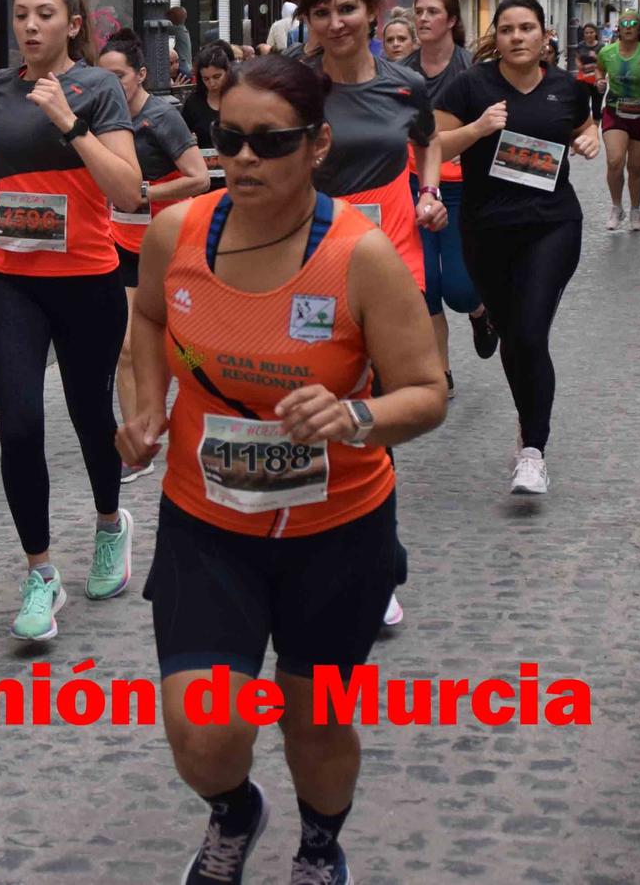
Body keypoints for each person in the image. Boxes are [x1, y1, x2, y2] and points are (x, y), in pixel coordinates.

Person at [118, 53, 445, 885]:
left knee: (316, 726)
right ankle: (235, 811)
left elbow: (427, 392)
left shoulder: (362, 255)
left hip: (336, 534)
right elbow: (149, 320)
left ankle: (319, 845)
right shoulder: (177, 232)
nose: (245, 158)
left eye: (271, 141)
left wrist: (355, 415)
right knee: (204, 731)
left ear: (319, 145)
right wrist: (146, 404)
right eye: (229, 138)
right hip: (208, 525)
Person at [0, 0, 144, 641]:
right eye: (22, 14)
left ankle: (111, 523)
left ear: (73, 25)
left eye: (45, 14)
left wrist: (70, 121)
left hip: (86, 275)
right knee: (20, 421)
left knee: (90, 416)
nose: (30, 25)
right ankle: (40, 573)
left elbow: (129, 189)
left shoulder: (99, 87)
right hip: (10, 276)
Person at [296, 0, 444, 629]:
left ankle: (376, 564)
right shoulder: (295, 90)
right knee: (327, 407)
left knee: (373, 417)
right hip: (313, 266)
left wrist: (429, 189)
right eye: (321, 12)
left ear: (373, 13)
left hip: (391, 265)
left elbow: (429, 141)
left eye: (347, 8)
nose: (335, 23)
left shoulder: (406, 86)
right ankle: (342, 544)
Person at [434, 0, 603, 497]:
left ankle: (533, 451)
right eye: (507, 29)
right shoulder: (471, 85)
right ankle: (495, 332)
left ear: (544, 34)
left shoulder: (567, 88)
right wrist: (478, 128)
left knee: (530, 333)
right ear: (497, 37)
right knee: (515, 337)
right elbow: (433, 146)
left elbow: (583, 125)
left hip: (552, 223)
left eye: (527, 27)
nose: (517, 37)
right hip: (487, 227)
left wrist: (591, 137)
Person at [98, 31, 210, 479]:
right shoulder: (103, 119)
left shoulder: (161, 117)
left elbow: (199, 178)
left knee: (191, 347)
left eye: (118, 77)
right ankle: (138, 438)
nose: (110, 85)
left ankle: (209, 414)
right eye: (102, 77)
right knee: (126, 348)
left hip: (171, 245)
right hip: (122, 244)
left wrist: (144, 193)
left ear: (141, 75)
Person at [404, 0, 495, 381]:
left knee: (458, 288)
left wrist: (466, 141)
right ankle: (440, 373)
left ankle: (480, 312)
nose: (422, 19)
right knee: (426, 287)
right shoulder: (402, 70)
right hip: (411, 186)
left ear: (452, 20)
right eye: (418, 11)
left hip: (461, 189)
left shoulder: (471, 70)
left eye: (432, 12)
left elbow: (492, 128)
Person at [596, 13, 640, 233]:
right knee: (615, 160)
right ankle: (617, 207)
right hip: (615, 111)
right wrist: (599, 81)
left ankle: (635, 209)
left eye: (632, 24)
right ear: (619, 29)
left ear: (638, 30)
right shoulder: (607, 52)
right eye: (623, 24)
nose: (627, 28)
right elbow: (600, 69)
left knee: (636, 167)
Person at [180, 41, 233, 148]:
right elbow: (182, 136)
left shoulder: (240, 98)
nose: (212, 84)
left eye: (217, 77)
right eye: (206, 79)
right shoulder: (194, 102)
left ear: (227, 72)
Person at [572, 23, 605, 122]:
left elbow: (605, 63)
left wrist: (596, 57)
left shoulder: (601, 46)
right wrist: (578, 65)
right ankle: (585, 126)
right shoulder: (581, 45)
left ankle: (595, 126)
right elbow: (577, 57)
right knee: (582, 105)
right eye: (586, 33)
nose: (589, 35)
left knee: (596, 107)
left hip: (597, 79)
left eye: (591, 32)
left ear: (595, 33)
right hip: (583, 79)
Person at [168, 5, 195, 73]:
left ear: (173, 17)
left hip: (182, 66)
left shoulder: (175, 30)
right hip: (187, 65)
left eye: (168, 15)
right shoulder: (183, 29)